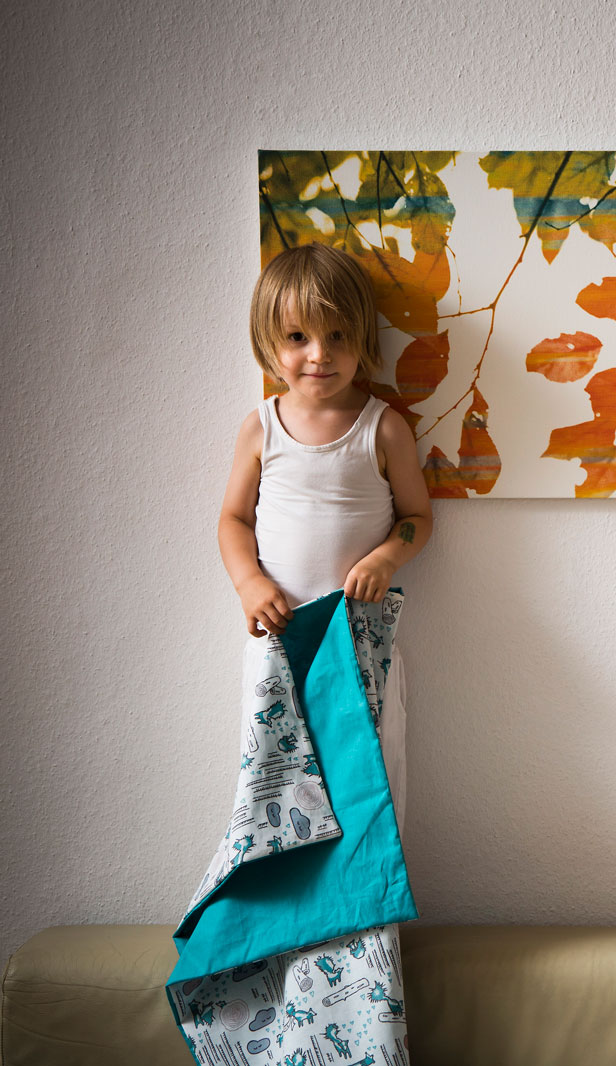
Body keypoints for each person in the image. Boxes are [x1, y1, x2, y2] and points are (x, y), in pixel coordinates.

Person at [218, 242, 433, 826]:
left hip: (358, 643)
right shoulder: (261, 428)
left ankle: (369, 890)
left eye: (337, 335)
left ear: (362, 336)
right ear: (269, 342)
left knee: (367, 787)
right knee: (276, 799)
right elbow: (233, 519)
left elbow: (417, 517)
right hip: (279, 638)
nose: (320, 354)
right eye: (298, 337)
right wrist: (248, 583)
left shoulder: (383, 428)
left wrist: (386, 558)